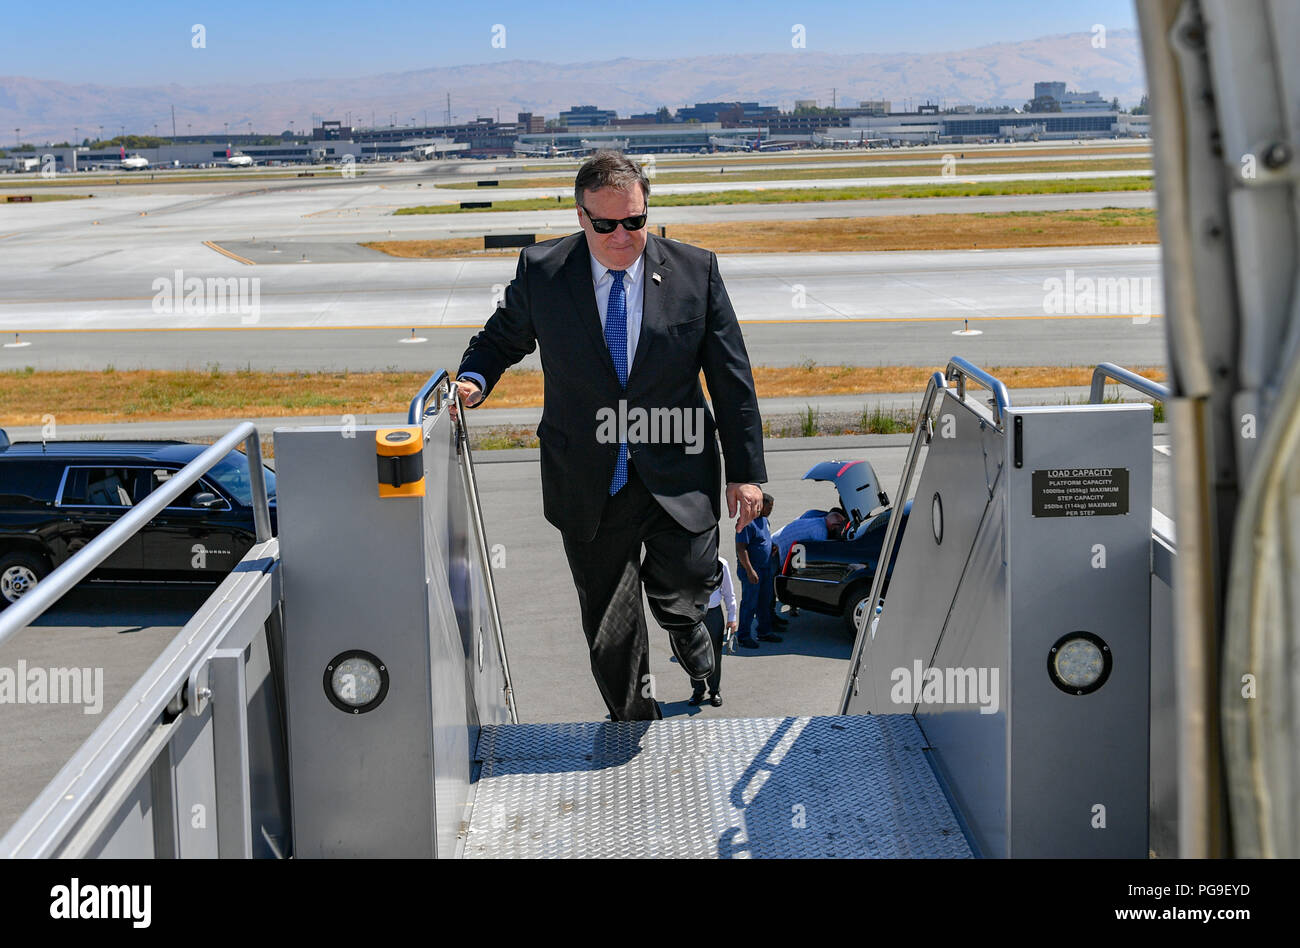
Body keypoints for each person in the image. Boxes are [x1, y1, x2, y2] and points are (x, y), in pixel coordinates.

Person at [450, 150, 767, 722]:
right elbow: (500, 340)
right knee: (611, 625)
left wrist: (746, 474)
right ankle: (630, 721)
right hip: (590, 482)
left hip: (679, 470)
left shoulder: (696, 271)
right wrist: (474, 379)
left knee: (681, 590)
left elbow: (731, 379)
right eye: (606, 225)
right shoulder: (543, 272)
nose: (624, 236)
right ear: (580, 217)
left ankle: (688, 627)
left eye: (636, 221)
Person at [690, 553, 737, 707]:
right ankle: (698, 690)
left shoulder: (720, 564)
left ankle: (714, 690)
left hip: (713, 613)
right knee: (693, 654)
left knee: (715, 654)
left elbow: (729, 594)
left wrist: (732, 617)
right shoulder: (689, 563)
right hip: (693, 613)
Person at [735, 493, 780, 647]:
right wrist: (749, 570)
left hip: (765, 568)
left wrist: (772, 546)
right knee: (750, 603)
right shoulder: (747, 523)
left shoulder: (765, 520)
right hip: (752, 570)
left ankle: (764, 632)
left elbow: (764, 539)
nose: (771, 510)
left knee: (764, 601)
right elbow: (741, 549)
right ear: (760, 506)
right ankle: (743, 636)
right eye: (769, 507)